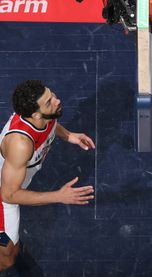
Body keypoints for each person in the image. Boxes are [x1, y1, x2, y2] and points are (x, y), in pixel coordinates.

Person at [0, 80, 95, 270]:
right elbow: (8, 195)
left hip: (13, 184)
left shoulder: (44, 115)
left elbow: (50, 125)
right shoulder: (20, 144)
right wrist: (59, 196)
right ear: (35, 114)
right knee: (8, 257)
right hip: (5, 194)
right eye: (49, 101)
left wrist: (69, 136)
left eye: (52, 95)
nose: (57, 100)